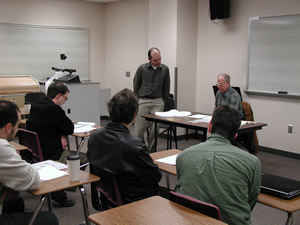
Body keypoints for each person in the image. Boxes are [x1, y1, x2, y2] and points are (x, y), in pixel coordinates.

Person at [175, 106, 261, 225]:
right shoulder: (252, 162)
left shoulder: (183, 156)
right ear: (235, 134)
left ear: (210, 126)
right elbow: (250, 200)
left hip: (189, 219)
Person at [87, 88, 161, 208]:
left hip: (106, 198)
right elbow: (155, 176)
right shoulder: (134, 145)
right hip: (132, 202)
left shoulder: (93, 137)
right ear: (135, 115)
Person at [0, 100, 59, 225]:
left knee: (15, 201)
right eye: (18, 125)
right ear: (8, 127)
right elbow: (33, 180)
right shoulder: (2, 148)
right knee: (50, 220)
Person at [26, 82, 75, 207]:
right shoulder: (54, 109)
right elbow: (70, 128)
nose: (65, 101)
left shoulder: (36, 105)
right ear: (59, 96)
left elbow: (48, 126)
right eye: (65, 98)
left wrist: (61, 135)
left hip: (36, 151)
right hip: (51, 153)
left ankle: (56, 187)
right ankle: (59, 193)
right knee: (81, 158)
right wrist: (63, 134)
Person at [133, 47, 170, 152]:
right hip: (143, 100)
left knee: (155, 128)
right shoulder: (142, 69)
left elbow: (166, 87)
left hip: (158, 101)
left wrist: (164, 101)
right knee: (139, 130)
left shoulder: (165, 69)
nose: (158, 62)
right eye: (155, 60)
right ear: (149, 59)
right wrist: (137, 101)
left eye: (159, 59)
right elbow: (136, 84)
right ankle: (142, 149)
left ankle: (151, 151)